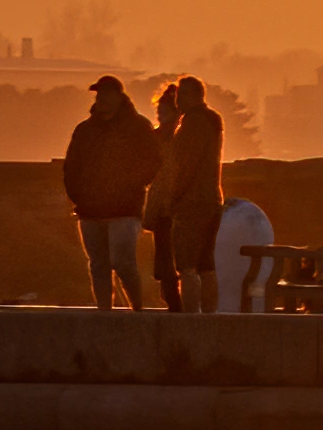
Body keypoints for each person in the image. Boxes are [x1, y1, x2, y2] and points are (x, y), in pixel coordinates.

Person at [61, 75, 161, 311]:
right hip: (89, 211)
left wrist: (131, 186)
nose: (101, 98)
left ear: (119, 96)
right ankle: (104, 313)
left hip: (124, 210)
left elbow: (152, 162)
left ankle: (137, 309)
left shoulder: (138, 127)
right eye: (98, 94)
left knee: (123, 263)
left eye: (106, 93)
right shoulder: (84, 130)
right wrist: (77, 196)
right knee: (98, 265)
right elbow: (71, 166)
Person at [164, 75, 227, 313]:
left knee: (187, 265)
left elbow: (185, 164)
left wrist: (174, 197)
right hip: (213, 198)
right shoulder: (213, 121)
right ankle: (210, 316)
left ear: (190, 95)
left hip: (192, 201)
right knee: (206, 265)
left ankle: (191, 318)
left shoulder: (193, 123)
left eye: (179, 95)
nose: (177, 102)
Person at [141, 81, 186, 312]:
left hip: (170, 206)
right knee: (168, 260)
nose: (160, 114)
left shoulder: (169, 138)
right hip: (165, 206)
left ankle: (174, 302)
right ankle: (174, 302)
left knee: (170, 260)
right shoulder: (172, 137)